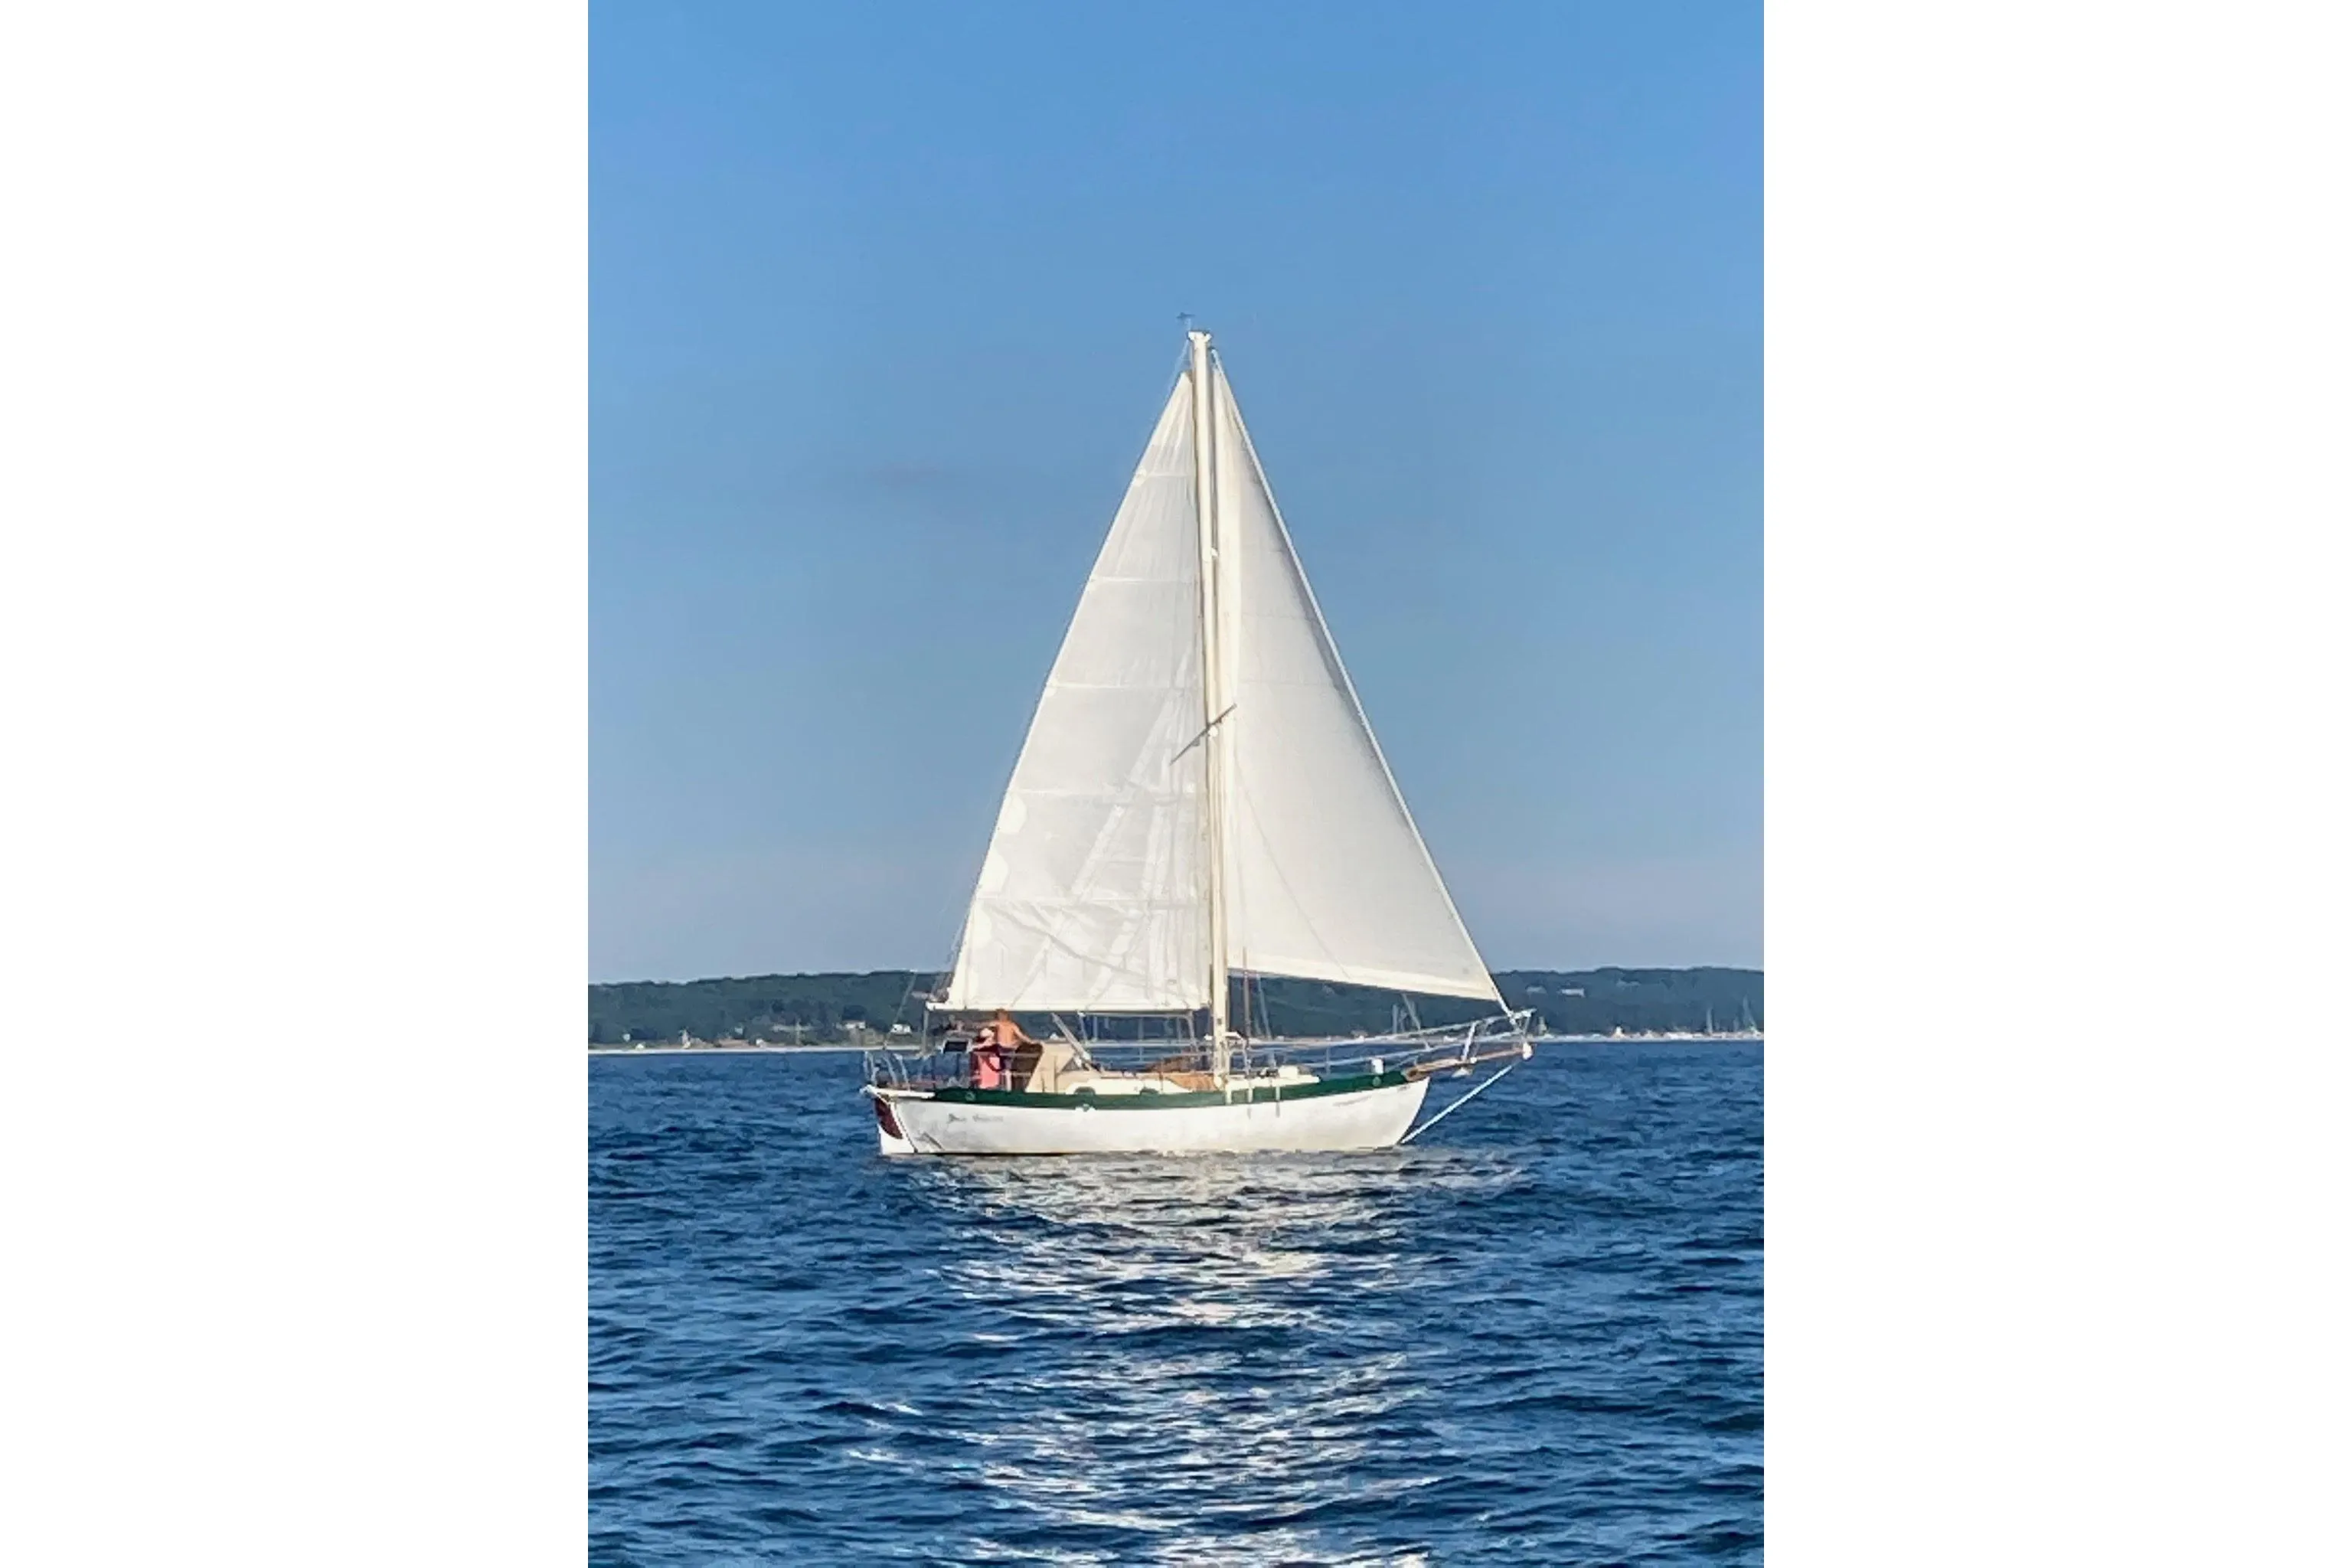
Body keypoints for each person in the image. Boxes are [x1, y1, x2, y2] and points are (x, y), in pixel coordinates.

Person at [970, 1009, 1034, 1091]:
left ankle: (1008, 1089)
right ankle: (1005, 1087)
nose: (999, 1017)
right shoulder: (1005, 1024)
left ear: (1005, 1016)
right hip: (1004, 1048)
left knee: (1007, 1070)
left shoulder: (1007, 1024)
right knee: (1005, 1069)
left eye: (999, 1015)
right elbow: (1021, 1036)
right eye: (998, 1016)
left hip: (1007, 1049)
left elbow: (1021, 1036)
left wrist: (1031, 1042)